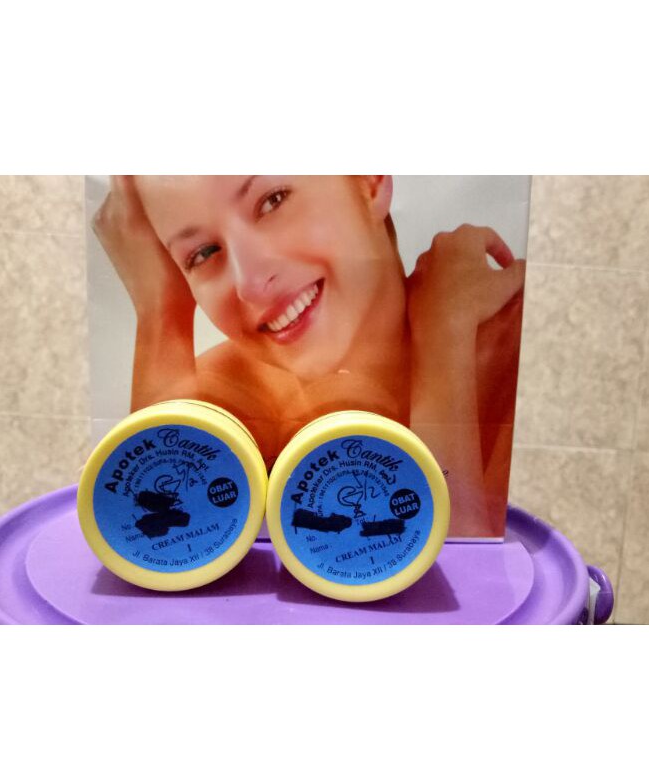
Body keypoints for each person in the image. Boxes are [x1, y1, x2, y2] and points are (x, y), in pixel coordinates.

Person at [93, 176, 525, 537]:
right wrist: (161, 313)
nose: (251, 283)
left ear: (369, 181)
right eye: (202, 253)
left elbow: (468, 593)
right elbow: (158, 554)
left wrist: (445, 334)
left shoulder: (514, 356)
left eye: (273, 202)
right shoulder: (212, 405)